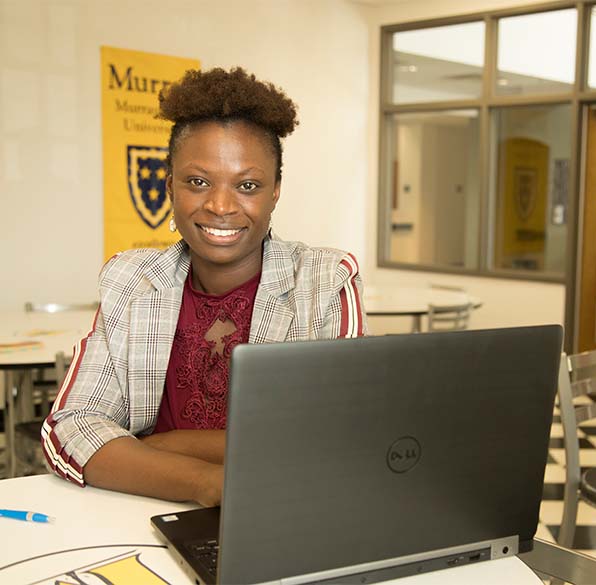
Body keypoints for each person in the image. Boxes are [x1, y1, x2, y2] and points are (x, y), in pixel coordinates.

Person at [41, 67, 366, 506]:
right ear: (170, 185)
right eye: (198, 182)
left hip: (280, 512)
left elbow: (336, 438)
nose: (220, 205)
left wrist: (167, 443)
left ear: (275, 193)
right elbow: (70, 427)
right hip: (144, 505)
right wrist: (209, 484)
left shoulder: (325, 281)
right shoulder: (130, 280)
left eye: (247, 185)